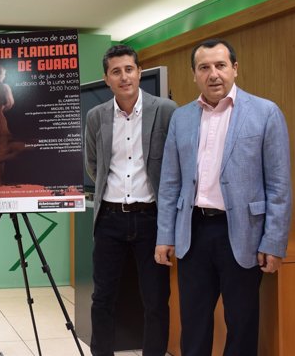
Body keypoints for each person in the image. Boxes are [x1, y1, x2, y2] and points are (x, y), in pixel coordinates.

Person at [155, 38, 292, 355]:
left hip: (243, 234)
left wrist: (273, 241)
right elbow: (170, 183)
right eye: (204, 67)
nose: (213, 74)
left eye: (220, 65)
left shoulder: (265, 113)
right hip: (194, 233)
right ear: (194, 74)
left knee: (242, 324)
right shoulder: (182, 118)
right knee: (194, 323)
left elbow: (279, 184)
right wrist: (165, 235)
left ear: (235, 69)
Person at [85, 44, 177, 356]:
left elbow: (174, 164)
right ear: (106, 79)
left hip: (151, 219)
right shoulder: (96, 116)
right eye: (116, 71)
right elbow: (94, 164)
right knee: (103, 298)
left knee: (155, 300)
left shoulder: (165, 110)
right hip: (109, 218)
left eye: (129, 69)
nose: (124, 76)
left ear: (138, 72)